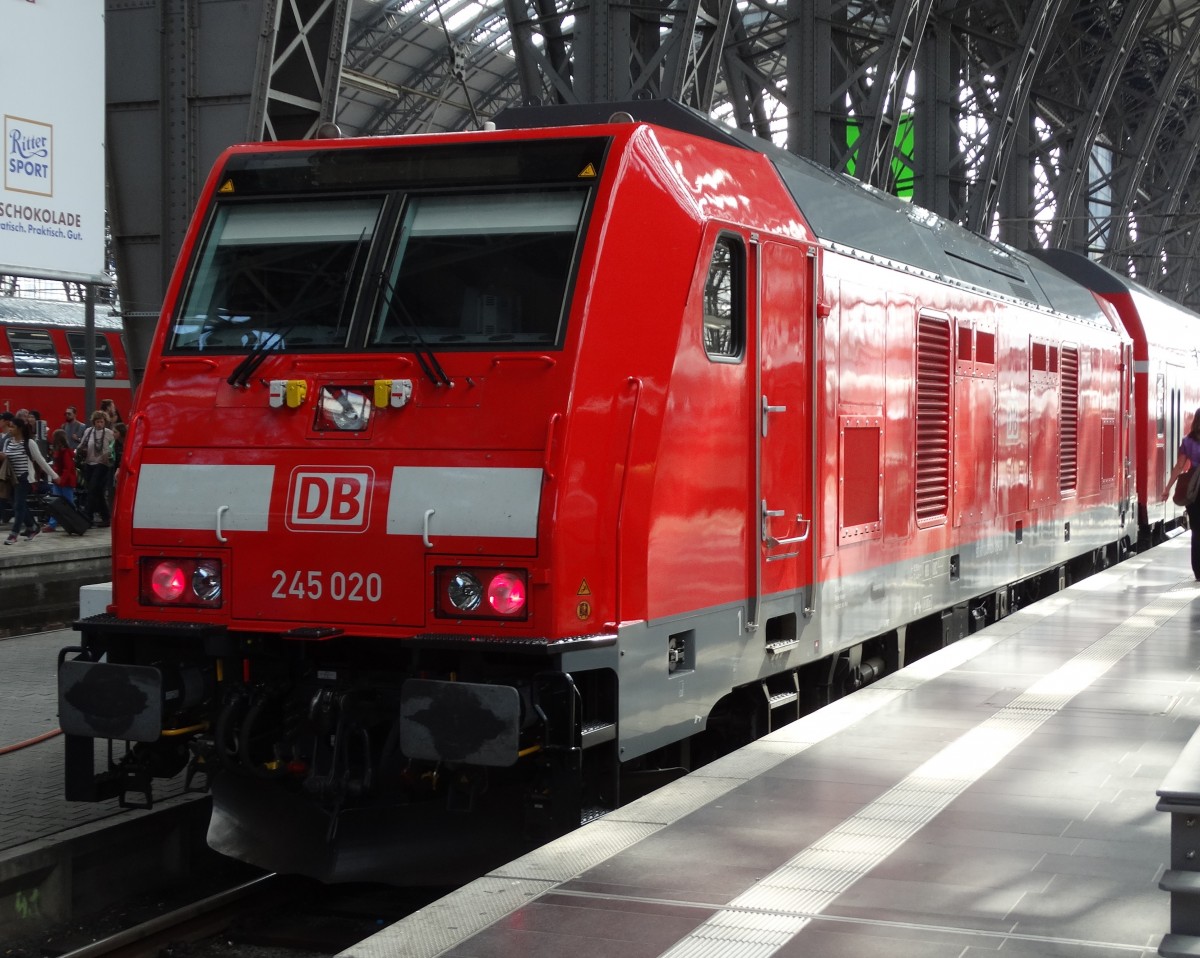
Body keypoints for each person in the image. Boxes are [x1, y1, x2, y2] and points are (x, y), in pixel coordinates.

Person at [2, 416, 58, 544]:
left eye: (13, 427)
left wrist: (54, 476)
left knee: (18, 505)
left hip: (25, 478)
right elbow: (6, 458)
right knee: (18, 505)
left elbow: (41, 461)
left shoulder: (29, 443)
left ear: (20, 428)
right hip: (11, 479)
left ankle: (14, 534)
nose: (10, 429)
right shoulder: (8, 442)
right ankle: (32, 527)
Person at [1164, 407, 1200, 579]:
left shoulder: (1188, 441)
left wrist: (1167, 488)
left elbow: (1179, 466)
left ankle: (1198, 570)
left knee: (1196, 531)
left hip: (1193, 490)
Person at [79, 411, 115, 528]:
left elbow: (113, 447)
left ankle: (87, 516)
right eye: (97, 421)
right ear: (93, 422)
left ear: (105, 422)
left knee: (93, 489)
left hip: (102, 464)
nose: (99, 424)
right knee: (97, 492)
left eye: (101, 422)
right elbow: (82, 444)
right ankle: (106, 517)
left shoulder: (109, 433)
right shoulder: (88, 431)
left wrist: (108, 456)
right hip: (89, 463)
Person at [42, 428, 78, 533]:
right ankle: (72, 522)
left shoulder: (62, 452)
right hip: (63, 481)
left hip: (62, 481)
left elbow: (67, 469)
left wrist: (60, 480)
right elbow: (68, 468)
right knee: (67, 503)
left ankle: (54, 524)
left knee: (60, 503)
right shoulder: (65, 452)